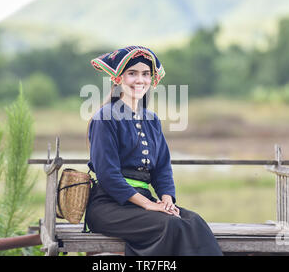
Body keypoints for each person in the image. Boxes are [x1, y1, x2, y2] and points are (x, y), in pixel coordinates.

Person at [84, 46, 223, 256]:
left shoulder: (152, 119)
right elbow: (107, 175)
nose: (140, 80)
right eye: (132, 73)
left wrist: (166, 199)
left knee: (194, 222)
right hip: (109, 206)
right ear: (118, 78)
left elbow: (162, 168)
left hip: (142, 203)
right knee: (171, 225)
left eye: (146, 74)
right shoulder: (104, 118)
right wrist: (149, 205)